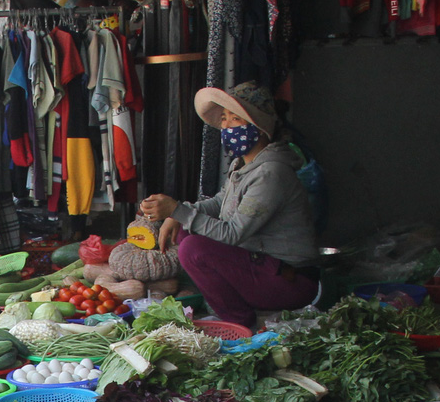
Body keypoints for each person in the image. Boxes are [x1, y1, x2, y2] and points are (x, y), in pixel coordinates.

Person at [136, 81, 319, 328]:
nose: (226, 126)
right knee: (185, 231)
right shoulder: (243, 165)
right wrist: (177, 213)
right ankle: (235, 311)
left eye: (235, 119)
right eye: (224, 118)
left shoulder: (271, 173)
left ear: (258, 127)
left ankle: (239, 321)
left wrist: (177, 210)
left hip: (291, 280)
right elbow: (219, 203)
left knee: (193, 248)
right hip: (263, 266)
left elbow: (232, 233)